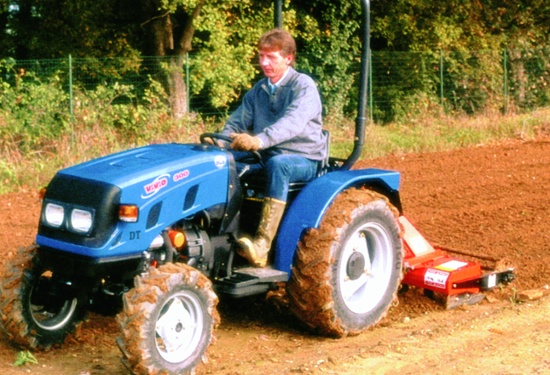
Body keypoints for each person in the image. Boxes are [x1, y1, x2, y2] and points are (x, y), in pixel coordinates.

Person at [214, 29, 327, 267]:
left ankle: (262, 245)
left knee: (279, 165)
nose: (264, 63)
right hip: (266, 153)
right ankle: (222, 235)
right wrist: (220, 141)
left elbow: (293, 123)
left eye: (271, 57)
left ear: (289, 58)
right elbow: (237, 122)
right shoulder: (260, 90)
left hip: (302, 158)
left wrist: (260, 140)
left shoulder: (303, 86)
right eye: (261, 56)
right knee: (222, 161)